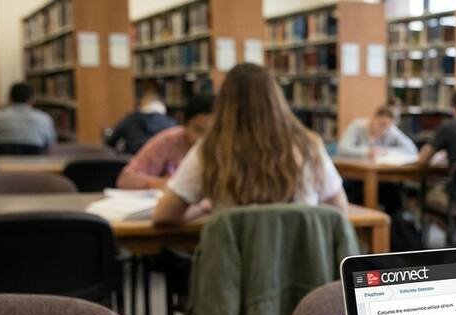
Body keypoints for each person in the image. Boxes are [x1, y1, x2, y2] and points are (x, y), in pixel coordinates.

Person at [152, 63, 347, 224]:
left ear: (224, 105)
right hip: (304, 268)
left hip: (236, 268)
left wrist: (201, 209)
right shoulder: (309, 146)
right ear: (277, 100)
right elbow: (339, 209)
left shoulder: (211, 150)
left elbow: (163, 216)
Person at [116, 94, 214, 190]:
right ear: (184, 124)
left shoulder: (222, 145)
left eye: (213, 132)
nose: (203, 139)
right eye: (199, 130)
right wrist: (163, 183)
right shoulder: (168, 141)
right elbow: (126, 179)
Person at [0, 83, 56, 154]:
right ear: (32, 99)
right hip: (36, 163)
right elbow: (51, 144)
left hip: (3, 163)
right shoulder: (44, 118)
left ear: (10, 98)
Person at [105, 86, 177, 155]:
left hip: (132, 161)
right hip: (161, 165)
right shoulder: (171, 123)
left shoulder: (130, 119)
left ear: (143, 103)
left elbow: (110, 142)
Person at [338, 105, 417, 159]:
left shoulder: (391, 130)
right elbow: (343, 148)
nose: (385, 130)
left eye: (388, 127)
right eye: (382, 124)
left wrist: (385, 151)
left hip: (380, 174)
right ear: (374, 118)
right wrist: (368, 152)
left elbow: (411, 149)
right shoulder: (357, 126)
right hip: (355, 173)